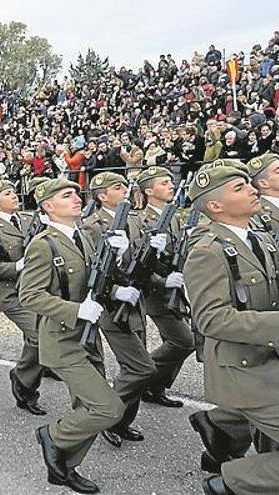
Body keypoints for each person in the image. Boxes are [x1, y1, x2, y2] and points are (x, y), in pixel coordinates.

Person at [20, 178, 124, 493]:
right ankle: (53, 436)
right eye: (67, 196)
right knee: (109, 408)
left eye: (76, 194)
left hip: (87, 338)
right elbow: (29, 296)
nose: (77, 199)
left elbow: (93, 283)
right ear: (48, 206)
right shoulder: (43, 244)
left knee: (90, 408)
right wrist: (75, 311)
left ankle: (65, 467)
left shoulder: (82, 238)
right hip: (63, 341)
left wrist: (119, 269)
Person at [184, 165, 279, 494]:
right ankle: (231, 482)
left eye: (248, 184)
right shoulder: (207, 252)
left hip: (268, 358)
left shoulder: (261, 241)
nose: (252, 189)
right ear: (215, 206)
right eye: (239, 188)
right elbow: (211, 319)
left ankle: (222, 430)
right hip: (242, 370)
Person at [81, 172, 156, 447]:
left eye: (125, 185)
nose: (125, 190)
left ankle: (123, 421)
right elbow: (93, 270)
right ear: (102, 196)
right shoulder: (91, 226)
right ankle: (107, 417)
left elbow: (140, 262)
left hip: (136, 302)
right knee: (140, 368)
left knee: (134, 367)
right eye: (117, 187)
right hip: (111, 306)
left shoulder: (135, 220)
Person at [0, 179, 48, 416]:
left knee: (38, 338)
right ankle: (24, 383)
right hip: (13, 295)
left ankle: (24, 375)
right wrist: (15, 266)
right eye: (7, 194)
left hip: (38, 291)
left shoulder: (29, 220)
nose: (15, 196)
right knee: (39, 337)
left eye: (15, 192)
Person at [136, 166, 192, 408]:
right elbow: (136, 264)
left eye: (171, 181)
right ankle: (140, 376)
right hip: (155, 290)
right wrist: (162, 281)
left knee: (177, 341)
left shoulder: (176, 216)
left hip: (176, 288)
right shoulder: (140, 220)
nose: (170, 185)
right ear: (149, 190)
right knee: (183, 341)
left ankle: (155, 387)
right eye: (163, 183)